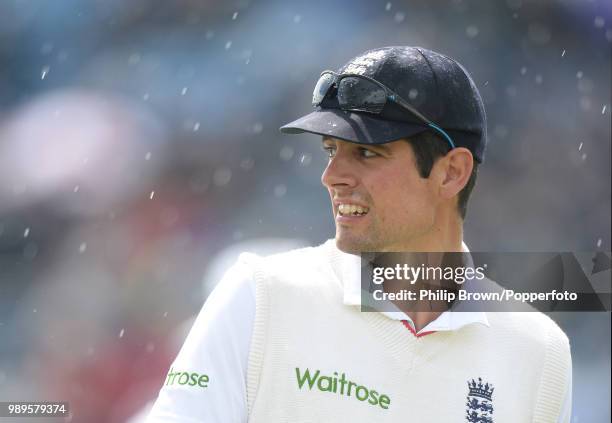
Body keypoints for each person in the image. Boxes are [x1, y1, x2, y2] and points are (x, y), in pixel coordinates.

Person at [146, 46, 572, 422]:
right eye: (332, 151)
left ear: (452, 172)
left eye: (367, 152)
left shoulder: (539, 351)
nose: (332, 177)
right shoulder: (260, 294)